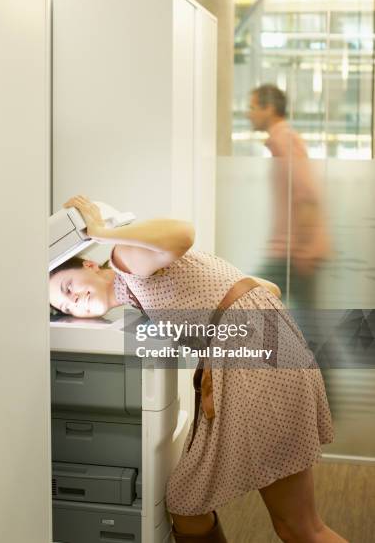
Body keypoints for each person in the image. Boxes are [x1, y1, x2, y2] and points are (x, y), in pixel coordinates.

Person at [50, 195, 346, 543]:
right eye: (64, 303)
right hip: (264, 358)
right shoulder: (138, 290)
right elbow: (269, 290)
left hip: (256, 366)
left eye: (69, 287)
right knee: (189, 503)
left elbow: (182, 232)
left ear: (88, 266)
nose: (74, 300)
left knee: (299, 528)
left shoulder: (123, 261)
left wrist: (101, 232)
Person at [248, 84, 331, 310]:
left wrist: (301, 249)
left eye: (253, 107)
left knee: (245, 301)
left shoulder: (285, 140)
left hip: (292, 253)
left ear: (270, 109)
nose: (248, 113)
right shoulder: (281, 141)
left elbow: (307, 195)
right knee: (310, 325)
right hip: (293, 250)